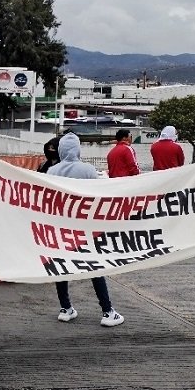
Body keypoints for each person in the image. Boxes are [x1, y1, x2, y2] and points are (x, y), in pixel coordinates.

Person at [46, 133, 124, 327]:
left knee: (62, 267)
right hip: (85, 227)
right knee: (94, 267)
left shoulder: (52, 171)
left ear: (61, 150)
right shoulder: (88, 170)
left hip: (61, 226)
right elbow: (98, 196)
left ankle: (65, 308)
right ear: (78, 149)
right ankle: (107, 311)